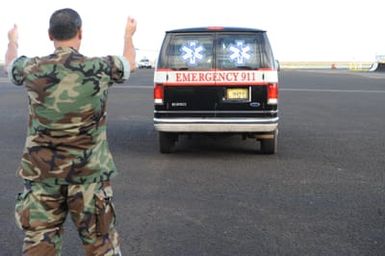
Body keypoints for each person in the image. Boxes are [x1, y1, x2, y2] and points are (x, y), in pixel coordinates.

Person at [4, 8, 136, 256]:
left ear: (50, 34)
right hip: (89, 178)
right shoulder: (99, 67)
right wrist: (128, 35)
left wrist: (12, 41)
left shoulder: (32, 68)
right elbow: (129, 63)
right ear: (80, 33)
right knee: (101, 244)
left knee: (39, 246)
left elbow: (10, 64)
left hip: (42, 177)